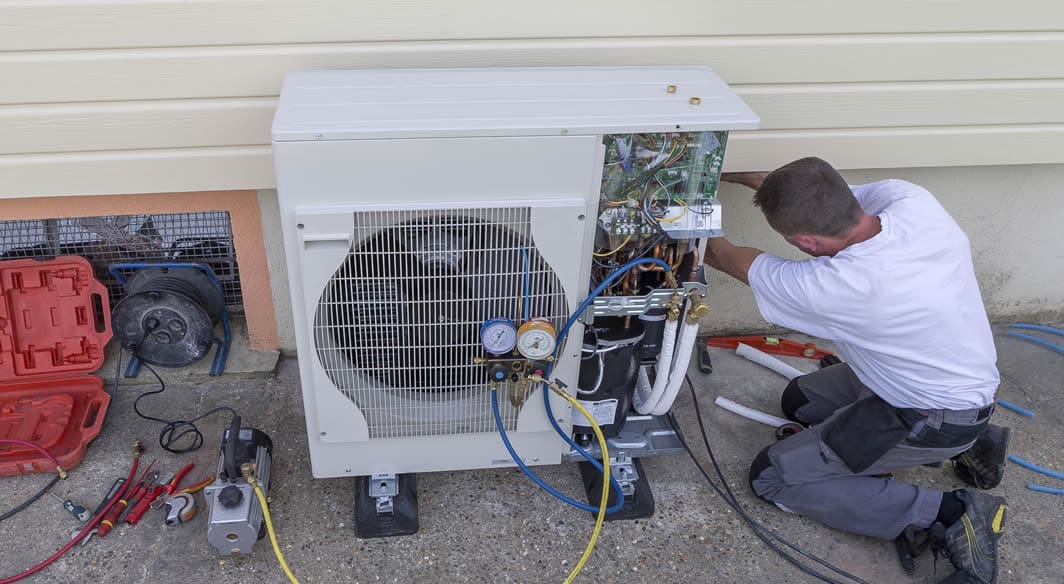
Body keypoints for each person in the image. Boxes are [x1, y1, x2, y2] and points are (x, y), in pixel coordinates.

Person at [703, 157, 1010, 584]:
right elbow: (781, 181)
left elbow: (720, 256)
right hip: (949, 380)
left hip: (931, 414)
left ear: (807, 242)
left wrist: (692, 200)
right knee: (800, 402)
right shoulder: (912, 202)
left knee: (774, 477)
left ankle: (951, 513)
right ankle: (974, 443)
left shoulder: (836, 286)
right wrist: (711, 171)